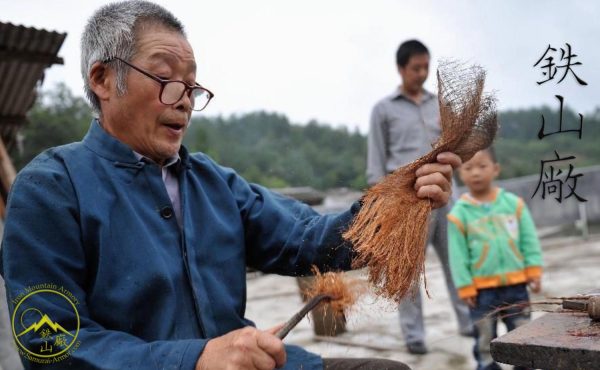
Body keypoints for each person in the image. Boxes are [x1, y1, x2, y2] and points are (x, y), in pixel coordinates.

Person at [0, 3, 460, 369]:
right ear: (102, 79)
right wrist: (195, 359)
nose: (183, 99)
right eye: (165, 78)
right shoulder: (51, 189)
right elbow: (50, 344)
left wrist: (400, 201)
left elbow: (312, 241)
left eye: (192, 85)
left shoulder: (215, 184)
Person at [366, 39, 472, 355]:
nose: (422, 73)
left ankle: (467, 320)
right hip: (407, 202)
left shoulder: (438, 105)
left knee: (458, 261)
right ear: (401, 69)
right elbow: (376, 161)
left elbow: (455, 149)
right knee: (407, 270)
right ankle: (414, 336)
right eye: (416, 68)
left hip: (444, 195)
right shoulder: (383, 110)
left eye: (426, 67)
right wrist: (382, 204)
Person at [447, 148, 543, 370]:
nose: (476, 173)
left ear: (496, 169)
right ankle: (487, 366)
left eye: (482, 166)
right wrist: (465, 286)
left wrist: (533, 270)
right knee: (484, 339)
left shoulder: (513, 204)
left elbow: (529, 240)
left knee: (523, 337)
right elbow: (457, 255)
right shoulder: (459, 214)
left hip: (517, 286)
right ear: (460, 174)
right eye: (468, 168)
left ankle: (525, 366)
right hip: (481, 293)